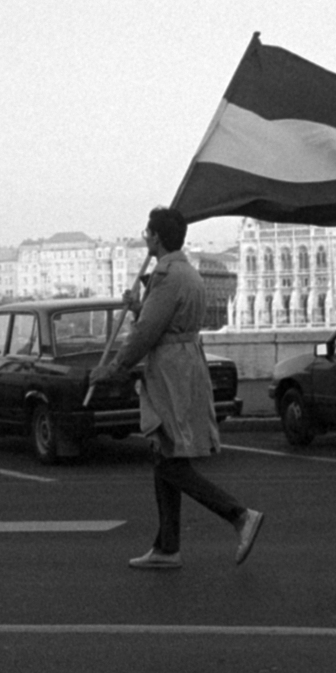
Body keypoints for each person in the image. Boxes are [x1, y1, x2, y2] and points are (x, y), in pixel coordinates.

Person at [89, 207, 264, 570]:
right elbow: (165, 321)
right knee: (166, 456)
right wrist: (140, 306)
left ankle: (239, 515)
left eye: (147, 232)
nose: (144, 237)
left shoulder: (167, 276)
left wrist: (113, 369)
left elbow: (146, 335)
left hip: (169, 372)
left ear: (156, 237)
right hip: (186, 365)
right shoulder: (187, 273)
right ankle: (167, 547)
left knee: (169, 461)